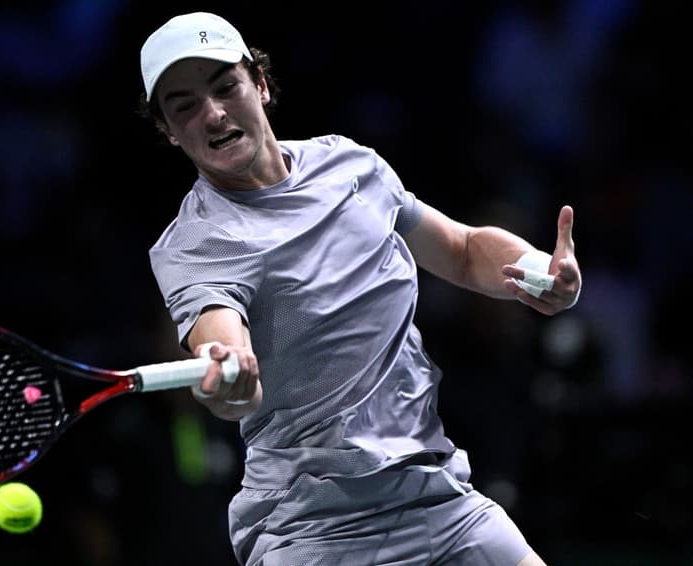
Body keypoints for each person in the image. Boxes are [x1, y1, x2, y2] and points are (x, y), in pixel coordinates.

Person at [138, 11, 581, 566]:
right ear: (167, 129)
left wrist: (539, 269)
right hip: (311, 531)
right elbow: (225, 353)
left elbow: (464, 251)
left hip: (439, 498)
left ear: (261, 85)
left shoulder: (350, 167)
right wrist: (228, 376)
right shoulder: (196, 244)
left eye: (226, 87)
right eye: (184, 105)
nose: (213, 112)